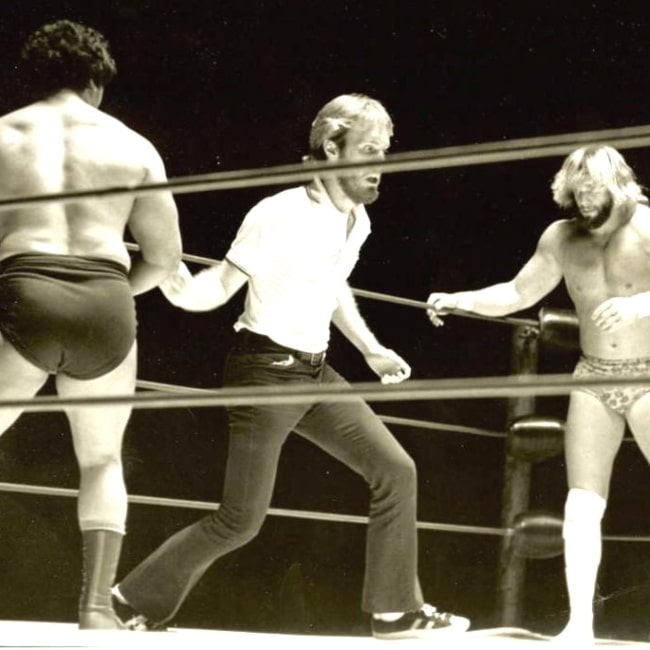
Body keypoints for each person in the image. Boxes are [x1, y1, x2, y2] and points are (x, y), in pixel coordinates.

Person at [111, 93, 470, 639]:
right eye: (370, 150)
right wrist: (176, 283)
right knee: (239, 521)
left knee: (396, 471)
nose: (381, 165)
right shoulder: (278, 214)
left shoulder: (357, 221)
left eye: (385, 151)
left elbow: (331, 286)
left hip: (315, 374)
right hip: (265, 374)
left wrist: (370, 349)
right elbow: (219, 288)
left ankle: (396, 612)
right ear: (332, 149)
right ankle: (129, 599)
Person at [426, 144, 650, 645]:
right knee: (581, 502)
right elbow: (517, 293)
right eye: (579, 192)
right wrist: (461, 299)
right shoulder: (562, 237)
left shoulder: (648, 226)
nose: (587, 201)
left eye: (595, 190)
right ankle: (579, 626)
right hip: (594, 375)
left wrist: (640, 308)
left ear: (619, 185)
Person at [0, 20, 182, 629]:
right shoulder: (134, 145)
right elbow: (164, 259)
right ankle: (97, 609)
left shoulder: (5, 134)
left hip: (23, 289)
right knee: (102, 459)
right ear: (96, 83)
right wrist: (109, 293)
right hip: (105, 303)